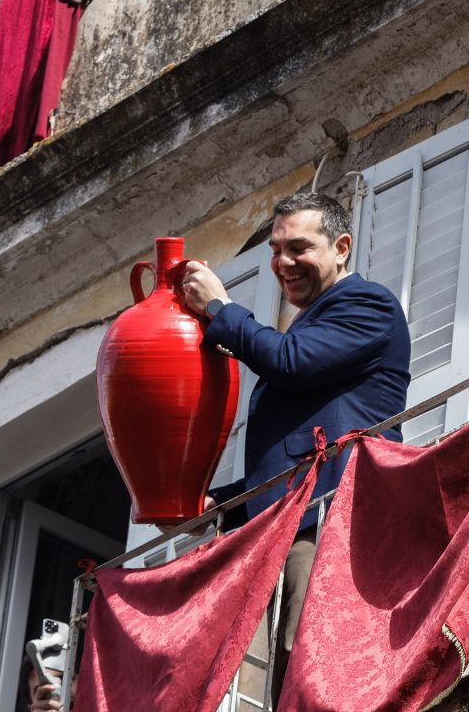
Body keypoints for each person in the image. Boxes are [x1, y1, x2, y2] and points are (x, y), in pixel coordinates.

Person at [180, 191, 411, 704]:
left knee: (310, 663)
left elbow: (290, 361)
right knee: (284, 674)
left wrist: (221, 308)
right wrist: (226, 502)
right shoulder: (316, 318)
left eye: (299, 248)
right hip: (295, 518)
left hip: (331, 517)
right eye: (276, 250)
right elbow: (296, 448)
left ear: (342, 247)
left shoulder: (366, 303)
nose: (283, 263)